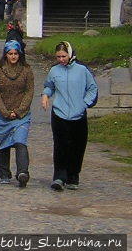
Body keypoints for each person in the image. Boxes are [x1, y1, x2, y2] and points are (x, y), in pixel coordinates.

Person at [42, 41, 98, 191]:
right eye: (58, 57)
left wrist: (84, 103)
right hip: (59, 113)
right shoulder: (54, 71)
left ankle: (73, 176)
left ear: (70, 54)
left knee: (77, 146)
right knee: (60, 146)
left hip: (78, 115)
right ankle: (59, 177)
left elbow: (92, 88)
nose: (61, 59)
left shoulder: (82, 70)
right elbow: (49, 86)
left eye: (63, 56)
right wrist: (46, 95)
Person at [0, 40, 33, 187]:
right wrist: (5, 112)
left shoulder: (26, 70)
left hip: (22, 114)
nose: (13, 56)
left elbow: (29, 92)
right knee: (5, 144)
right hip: (3, 114)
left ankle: (22, 172)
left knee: (20, 141)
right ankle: (4, 173)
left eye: (16, 54)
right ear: (6, 55)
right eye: (10, 54)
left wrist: (20, 110)